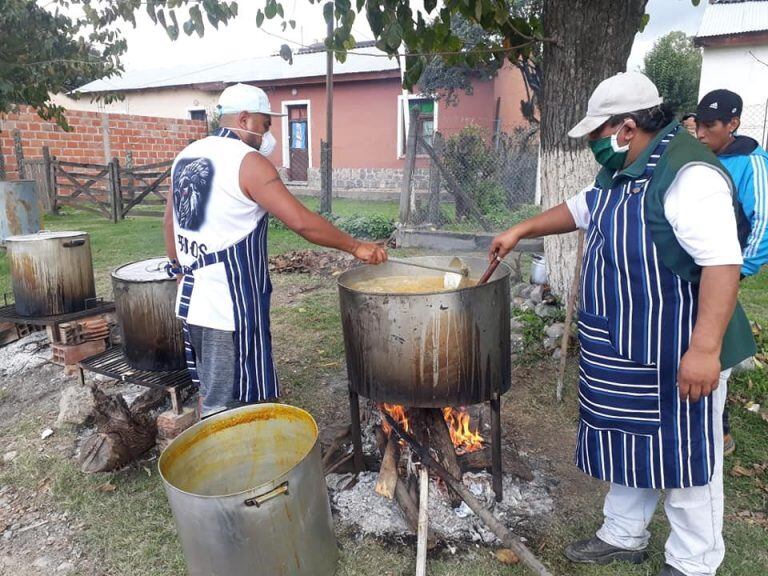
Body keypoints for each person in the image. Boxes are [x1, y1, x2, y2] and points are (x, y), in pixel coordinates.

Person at [490, 72, 755, 576]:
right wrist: (521, 228)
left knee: (687, 456)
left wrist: (704, 351)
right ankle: (623, 534)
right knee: (628, 438)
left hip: (682, 343)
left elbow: (723, 266)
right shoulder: (629, 166)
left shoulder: (690, 177)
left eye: (597, 135)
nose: (595, 146)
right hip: (628, 340)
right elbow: (583, 207)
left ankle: (694, 560)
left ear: (627, 127)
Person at [163, 83, 387, 418]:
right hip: (228, 307)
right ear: (245, 118)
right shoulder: (248, 162)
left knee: (212, 389)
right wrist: (356, 246)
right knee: (227, 404)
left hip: (191, 300)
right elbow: (301, 221)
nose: (269, 133)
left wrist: (178, 268)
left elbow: (169, 222)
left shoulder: (188, 154)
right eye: (266, 124)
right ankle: (230, 463)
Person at [696, 89, 768, 455]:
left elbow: (763, 225)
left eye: (710, 126)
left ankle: (718, 435)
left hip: (723, 273)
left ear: (733, 124)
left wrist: (735, 274)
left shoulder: (753, 164)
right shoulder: (704, 157)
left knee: (715, 348)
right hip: (697, 272)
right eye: (698, 125)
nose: (701, 133)